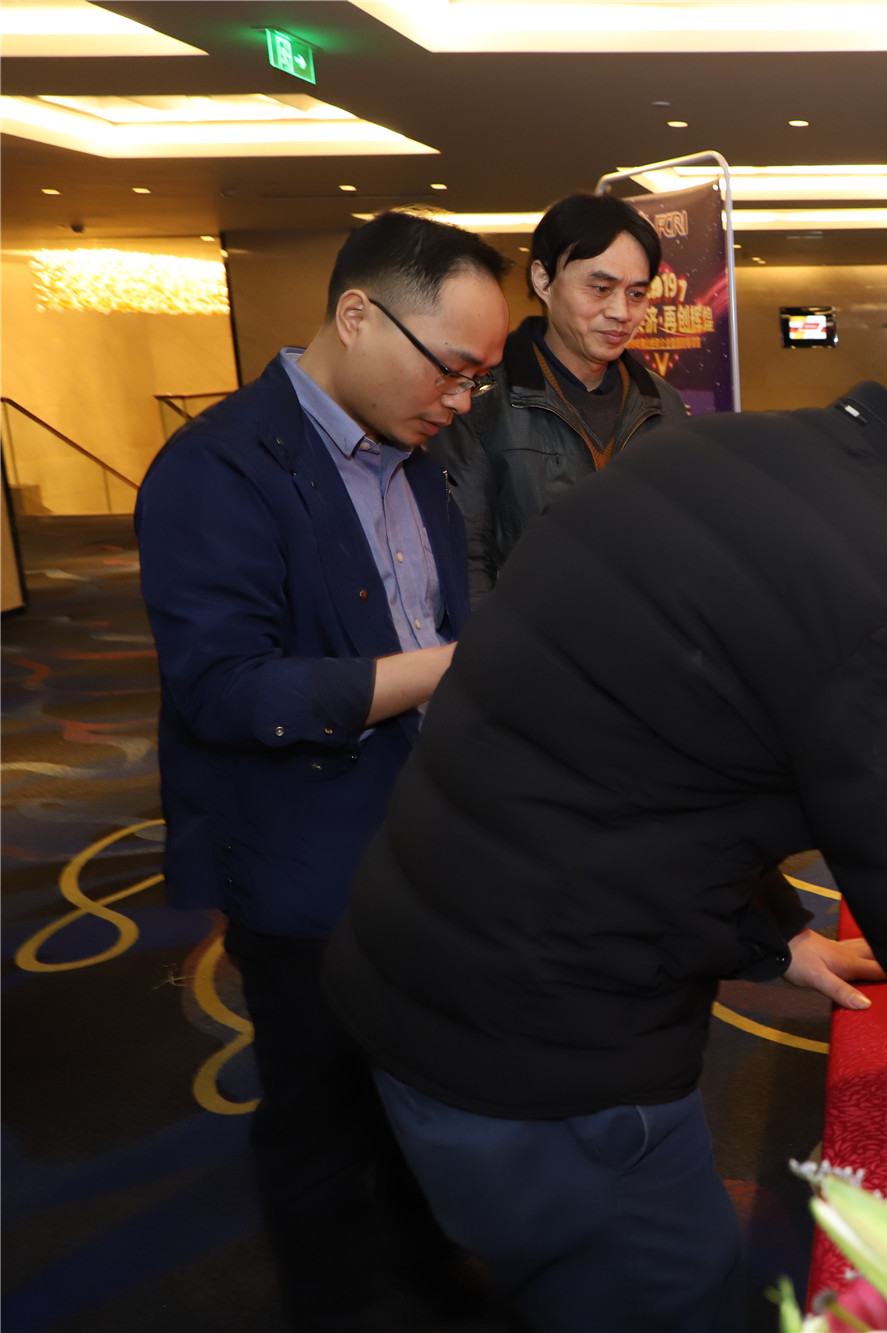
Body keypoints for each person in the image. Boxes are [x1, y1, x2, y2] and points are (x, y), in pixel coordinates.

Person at [321, 318, 887, 1332]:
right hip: (542, 1043)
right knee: (670, 1298)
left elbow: (660, 731)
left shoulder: (719, 447)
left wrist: (775, 932)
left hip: (413, 949)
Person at [135, 210, 511, 1329]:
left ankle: (425, 1262)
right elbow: (224, 688)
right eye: (451, 367)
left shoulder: (417, 462)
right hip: (304, 857)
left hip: (425, 841)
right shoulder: (219, 466)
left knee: (423, 1084)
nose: (461, 400)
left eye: (480, 379)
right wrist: (453, 667)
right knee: (319, 1110)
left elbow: (426, 620)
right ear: (357, 314)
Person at [430, 192, 690, 601]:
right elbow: (464, 559)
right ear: (544, 280)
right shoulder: (479, 400)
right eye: (601, 288)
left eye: (637, 294)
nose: (621, 312)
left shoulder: (663, 404)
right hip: (524, 636)